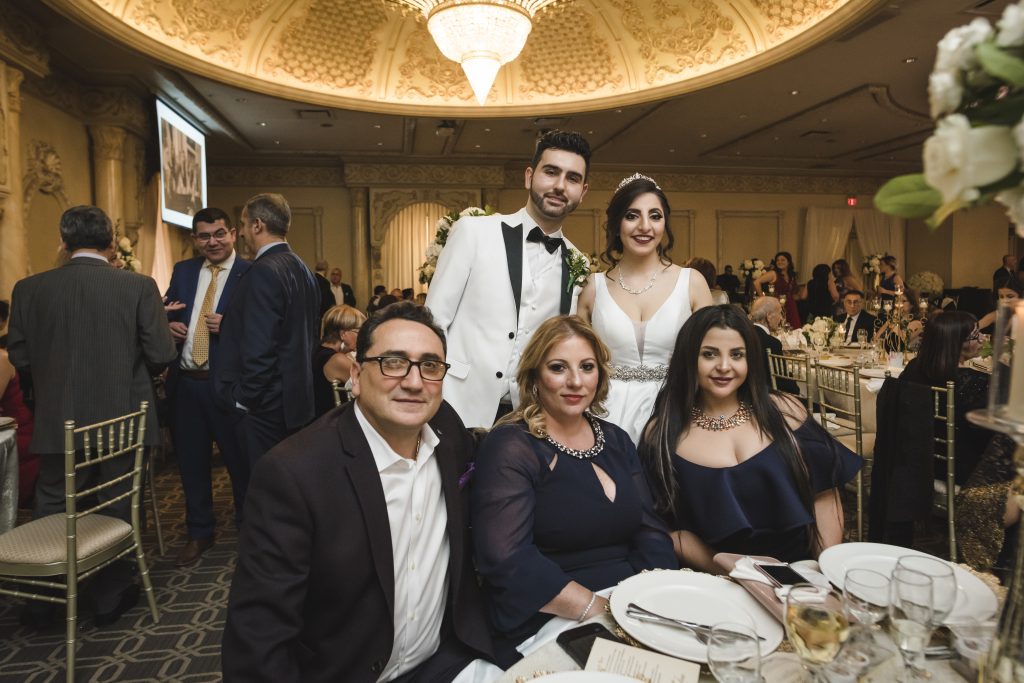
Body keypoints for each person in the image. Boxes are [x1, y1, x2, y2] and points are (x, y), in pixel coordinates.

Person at [222, 302, 492, 682]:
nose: (414, 382)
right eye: (393, 362)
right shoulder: (295, 474)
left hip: (446, 660)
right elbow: (258, 637)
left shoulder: (447, 431)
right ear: (356, 375)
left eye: (430, 366)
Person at [471, 315, 677, 665]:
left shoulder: (616, 439)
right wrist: (601, 610)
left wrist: (651, 597)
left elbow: (650, 530)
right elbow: (508, 560)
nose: (576, 381)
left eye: (587, 367)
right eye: (558, 368)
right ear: (535, 376)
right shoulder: (512, 445)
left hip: (628, 601)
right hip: (550, 612)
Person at [7, 205, 177, 627]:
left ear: (64, 242)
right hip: (122, 419)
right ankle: (108, 596)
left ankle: (48, 599)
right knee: (116, 503)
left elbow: (20, 357)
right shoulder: (138, 286)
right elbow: (161, 352)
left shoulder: (28, 289)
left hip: (57, 418)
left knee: (54, 505)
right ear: (110, 242)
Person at [638, 305, 860, 571]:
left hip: (802, 572)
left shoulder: (785, 411)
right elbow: (667, 531)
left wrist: (823, 570)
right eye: (709, 354)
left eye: (737, 355)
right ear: (688, 358)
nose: (724, 366)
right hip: (716, 576)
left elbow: (824, 493)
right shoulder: (662, 434)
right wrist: (739, 575)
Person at [426, 130, 591, 428]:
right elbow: (433, 322)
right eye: (551, 172)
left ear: (583, 191)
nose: (559, 185)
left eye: (572, 178)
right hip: (455, 403)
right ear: (529, 177)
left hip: (527, 418)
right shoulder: (474, 232)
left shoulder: (578, 263)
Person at [577, 174, 711, 443]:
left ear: (665, 224)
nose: (645, 226)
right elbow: (577, 362)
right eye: (632, 216)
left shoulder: (692, 282)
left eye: (655, 216)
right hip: (604, 415)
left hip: (676, 412)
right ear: (616, 224)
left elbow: (711, 355)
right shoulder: (593, 287)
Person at [164, 207, 251, 566]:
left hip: (228, 386)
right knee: (191, 463)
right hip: (187, 385)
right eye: (204, 236)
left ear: (232, 234)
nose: (212, 242)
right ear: (194, 239)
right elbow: (169, 310)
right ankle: (199, 532)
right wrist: (167, 325)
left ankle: (250, 532)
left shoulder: (251, 273)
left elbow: (264, 329)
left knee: (240, 464)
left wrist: (231, 326)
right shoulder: (183, 271)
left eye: (219, 234)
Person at [213, 193, 320, 470]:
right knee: (286, 484)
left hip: (264, 409)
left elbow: (260, 347)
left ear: (258, 225)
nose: (242, 233)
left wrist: (243, 399)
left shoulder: (262, 271)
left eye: (243, 225)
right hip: (295, 403)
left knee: (260, 486)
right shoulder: (303, 269)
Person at [901, 311, 991, 484]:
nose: (982, 339)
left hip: (916, 456)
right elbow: (987, 434)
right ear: (955, 343)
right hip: (956, 466)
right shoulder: (974, 380)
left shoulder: (914, 367)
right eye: (975, 335)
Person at [312, 304, 365, 418]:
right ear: (343, 334)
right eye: (359, 332)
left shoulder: (319, 351)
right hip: (333, 421)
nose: (362, 337)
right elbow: (370, 385)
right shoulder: (337, 360)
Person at [749, 296, 799, 395]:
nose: (781, 318)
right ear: (769, 316)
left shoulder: (744, 334)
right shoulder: (772, 343)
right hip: (768, 397)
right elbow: (784, 382)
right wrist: (797, 389)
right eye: (780, 313)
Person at [754, 251, 801, 328]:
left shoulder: (791, 275)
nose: (779, 262)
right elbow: (756, 282)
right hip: (777, 305)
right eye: (778, 260)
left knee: (794, 327)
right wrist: (763, 298)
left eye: (783, 260)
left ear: (788, 262)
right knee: (779, 327)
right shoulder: (773, 273)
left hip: (791, 305)